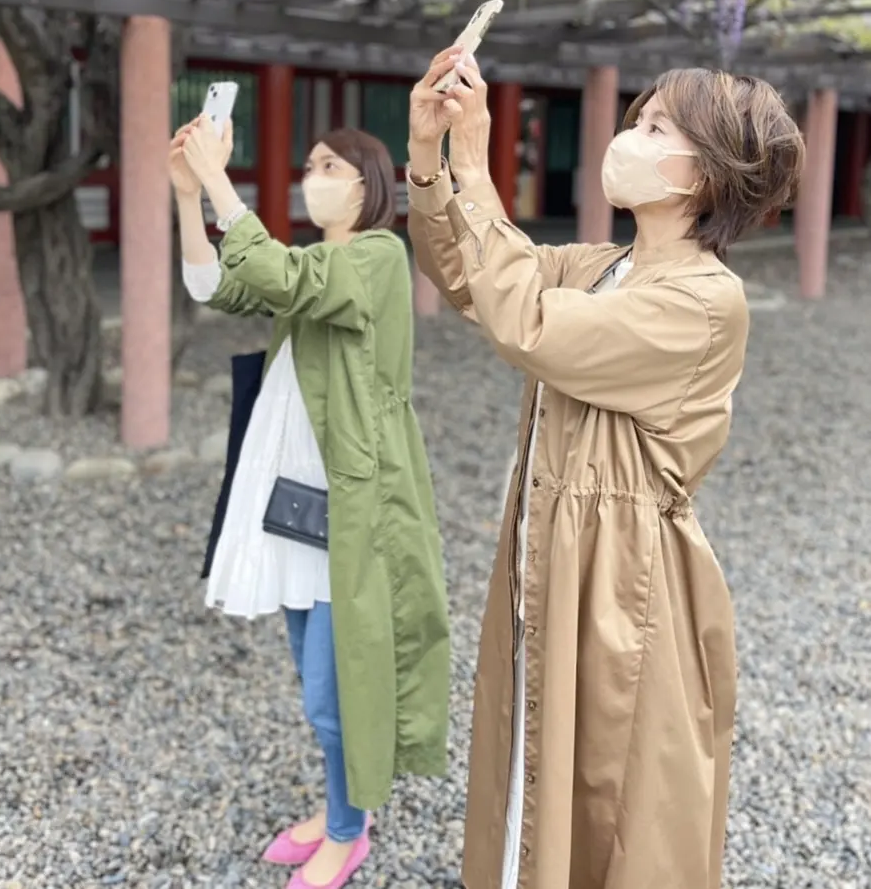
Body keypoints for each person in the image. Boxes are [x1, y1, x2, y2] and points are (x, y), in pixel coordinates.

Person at [406, 51, 805, 889]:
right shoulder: (602, 267)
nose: (631, 136)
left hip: (626, 586)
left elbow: (533, 326)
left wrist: (478, 163)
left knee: (611, 799)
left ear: (709, 171)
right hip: (551, 555)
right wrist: (428, 158)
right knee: (532, 772)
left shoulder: (702, 301)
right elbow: (476, 276)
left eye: (659, 127)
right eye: (638, 119)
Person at [169, 115, 450, 889]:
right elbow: (217, 284)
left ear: (367, 183)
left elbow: (286, 280)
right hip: (295, 503)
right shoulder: (320, 260)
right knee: (315, 675)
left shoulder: (378, 257)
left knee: (339, 686)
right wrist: (189, 196)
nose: (310, 174)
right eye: (310, 163)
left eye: (328, 164)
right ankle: (342, 805)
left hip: (351, 510)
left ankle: (346, 830)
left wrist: (223, 184)